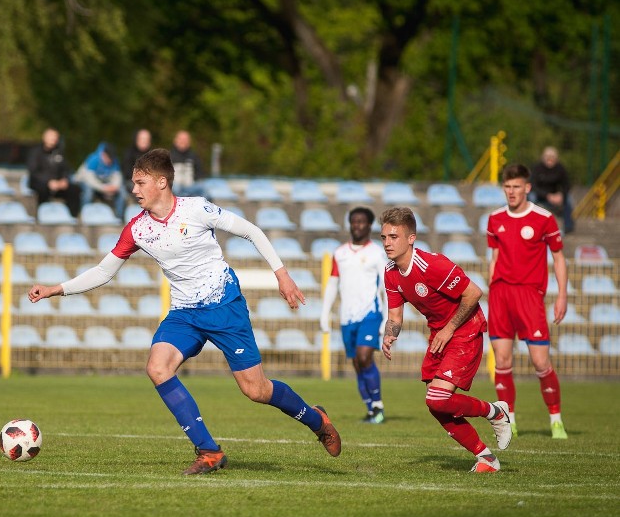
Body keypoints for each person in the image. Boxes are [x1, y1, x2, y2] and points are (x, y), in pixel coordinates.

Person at [28, 148, 341, 475]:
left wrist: (282, 274)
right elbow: (104, 271)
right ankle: (209, 452)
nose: (134, 190)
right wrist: (55, 289)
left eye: (140, 182)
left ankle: (318, 420)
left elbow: (252, 231)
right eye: (133, 183)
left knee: (256, 390)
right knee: (157, 367)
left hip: (224, 305)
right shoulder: (137, 229)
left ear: (161, 182)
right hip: (184, 313)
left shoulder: (197, 208)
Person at [379, 207, 512, 473]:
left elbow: (474, 293)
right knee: (436, 405)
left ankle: (495, 412)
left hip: (464, 329)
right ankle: (486, 458)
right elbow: (395, 314)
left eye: (394, 237)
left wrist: (449, 329)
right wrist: (389, 335)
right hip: (439, 334)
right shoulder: (391, 272)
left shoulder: (432, 265)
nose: (387, 243)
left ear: (411, 238)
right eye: (384, 237)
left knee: (438, 398)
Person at [486, 163, 569, 439]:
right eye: (507, 187)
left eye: (516, 187)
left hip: (529, 296)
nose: (511, 192)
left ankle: (555, 418)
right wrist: (491, 288)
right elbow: (494, 257)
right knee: (503, 360)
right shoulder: (495, 219)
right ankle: (510, 419)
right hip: (500, 295)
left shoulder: (543, 219)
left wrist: (562, 296)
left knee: (540, 362)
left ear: (527, 188)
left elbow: (558, 258)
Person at [319, 206, 388, 423]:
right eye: (354, 221)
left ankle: (378, 405)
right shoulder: (339, 254)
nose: (357, 225)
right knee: (357, 363)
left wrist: (387, 318)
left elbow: (387, 287)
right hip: (347, 317)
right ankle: (370, 409)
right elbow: (332, 284)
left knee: (365, 356)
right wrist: (324, 314)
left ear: (369, 225)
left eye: (361, 221)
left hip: (370, 313)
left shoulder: (377, 253)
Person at [26, 128, 80, 218]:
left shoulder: (59, 152)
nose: (54, 140)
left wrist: (64, 180)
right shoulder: (35, 152)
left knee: (75, 189)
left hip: (58, 183)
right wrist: (48, 182)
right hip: (41, 183)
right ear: (44, 138)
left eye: (56, 138)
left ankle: (72, 217)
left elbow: (66, 169)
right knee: (42, 189)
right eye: (52, 137)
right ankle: (42, 216)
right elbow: (34, 172)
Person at [73, 142, 126, 220]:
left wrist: (114, 187)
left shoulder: (114, 161)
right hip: (84, 182)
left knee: (122, 191)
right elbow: (89, 180)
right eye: (108, 158)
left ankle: (119, 218)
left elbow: (117, 177)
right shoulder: (93, 159)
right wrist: (103, 188)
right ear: (103, 154)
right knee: (88, 192)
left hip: (103, 184)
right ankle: (83, 216)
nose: (110, 161)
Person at [531, 146, 574, 233]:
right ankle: (531, 223)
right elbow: (533, 186)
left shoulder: (560, 169)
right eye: (548, 157)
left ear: (556, 158)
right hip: (540, 195)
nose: (550, 159)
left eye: (552, 157)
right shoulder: (537, 168)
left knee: (569, 199)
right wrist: (547, 196)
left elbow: (566, 185)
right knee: (531, 197)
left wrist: (561, 195)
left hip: (555, 195)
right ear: (543, 157)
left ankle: (568, 226)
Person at [169, 130, 205, 197]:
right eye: (181, 139)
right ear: (175, 140)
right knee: (175, 188)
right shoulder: (168, 156)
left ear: (189, 142)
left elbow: (200, 174)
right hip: (175, 188)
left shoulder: (194, 156)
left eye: (185, 139)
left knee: (203, 189)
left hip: (191, 186)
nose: (183, 141)